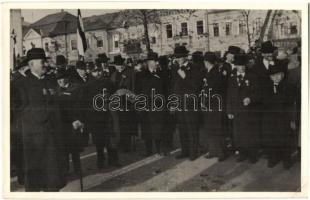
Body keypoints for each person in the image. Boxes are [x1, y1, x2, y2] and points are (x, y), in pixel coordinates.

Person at [17, 48, 67, 191]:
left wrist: (72, 120)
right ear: (32, 64)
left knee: (53, 181)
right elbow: (18, 110)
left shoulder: (51, 81)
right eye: (42, 61)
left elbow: (59, 104)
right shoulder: (22, 84)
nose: (45, 64)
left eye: (45, 60)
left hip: (52, 139)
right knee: (36, 182)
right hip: (35, 141)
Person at [226, 54, 261, 163]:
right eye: (239, 65)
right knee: (238, 134)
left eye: (243, 65)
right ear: (235, 66)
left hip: (249, 111)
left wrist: (250, 99)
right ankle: (242, 153)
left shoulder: (252, 76)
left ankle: (252, 155)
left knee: (250, 133)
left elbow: (258, 93)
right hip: (237, 111)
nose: (242, 67)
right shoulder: (231, 78)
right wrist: (229, 110)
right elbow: (229, 95)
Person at [170, 46, 203, 160]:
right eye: (176, 57)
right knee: (182, 128)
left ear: (185, 57)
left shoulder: (194, 67)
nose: (178, 59)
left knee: (192, 128)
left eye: (180, 57)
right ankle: (185, 151)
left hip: (190, 102)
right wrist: (173, 102)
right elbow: (174, 86)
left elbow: (196, 85)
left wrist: (184, 76)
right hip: (179, 102)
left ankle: (193, 152)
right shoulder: (175, 68)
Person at [84, 65, 120, 168]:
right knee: (99, 140)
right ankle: (100, 161)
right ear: (91, 72)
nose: (98, 73)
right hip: (96, 116)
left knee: (110, 138)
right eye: (95, 71)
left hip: (108, 114)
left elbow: (115, 95)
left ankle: (113, 160)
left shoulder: (109, 83)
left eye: (99, 71)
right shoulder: (88, 86)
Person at [261, 63, 296, 169]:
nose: (275, 77)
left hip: (283, 118)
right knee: (271, 140)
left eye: (278, 75)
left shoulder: (289, 86)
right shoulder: (267, 87)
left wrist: (292, 120)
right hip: (270, 119)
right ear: (270, 77)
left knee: (285, 140)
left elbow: (291, 105)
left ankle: (287, 160)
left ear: (282, 75)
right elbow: (264, 103)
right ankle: (273, 159)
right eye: (273, 76)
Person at [135, 52, 166, 156]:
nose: (157, 63)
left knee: (158, 128)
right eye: (154, 61)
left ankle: (159, 149)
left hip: (158, 106)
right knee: (147, 129)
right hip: (146, 106)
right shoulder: (140, 75)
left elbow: (165, 90)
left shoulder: (162, 74)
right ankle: (148, 150)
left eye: (157, 61)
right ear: (148, 62)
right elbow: (137, 91)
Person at [55, 68, 84, 174]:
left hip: (74, 121)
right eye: (58, 79)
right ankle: (66, 169)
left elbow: (80, 105)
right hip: (63, 123)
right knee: (64, 148)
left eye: (61, 79)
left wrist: (79, 120)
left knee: (75, 148)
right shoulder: (57, 90)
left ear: (67, 78)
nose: (60, 81)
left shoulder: (75, 88)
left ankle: (77, 169)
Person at [201, 52, 226, 162]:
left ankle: (220, 152)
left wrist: (204, 101)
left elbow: (213, 90)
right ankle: (212, 151)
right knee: (210, 128)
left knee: (216, 128)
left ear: (206, 62)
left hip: (214, 105)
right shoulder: (210, 72)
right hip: (210, 105)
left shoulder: (215, 74)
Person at [110, 55, 138, 153]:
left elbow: (134, 87)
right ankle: (120, 142)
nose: (119, 67)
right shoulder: (113, 75)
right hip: (117, 102)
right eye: (117, 65)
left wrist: (133, 99)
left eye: (121, 64)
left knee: (127, 123)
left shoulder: (131, 73)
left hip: (128, 101)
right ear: (115, 66)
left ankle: (127, 145)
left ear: (124, 64)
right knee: (118, 123)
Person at [11, 56, 29, 185]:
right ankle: (22, 176)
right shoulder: (16, 82)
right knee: (20, 150)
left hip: (25, 121)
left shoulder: (25, 79)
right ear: (23, 68)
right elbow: (14, 105)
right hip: (18, 122)